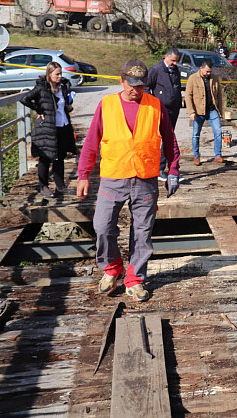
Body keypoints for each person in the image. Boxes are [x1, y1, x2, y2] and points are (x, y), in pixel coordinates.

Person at [76, 59, 180, 302]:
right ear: (121, 81)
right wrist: (83, 174)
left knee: (142, 232)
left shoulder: (155, 105)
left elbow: (170, 139)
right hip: (114, 175)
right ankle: (112, 268)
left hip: (145, 178)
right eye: (131, 85)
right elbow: (92, 141)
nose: (136, 90)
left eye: (141, 86)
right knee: (102, 226)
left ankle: (135, 278)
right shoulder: (107, 105)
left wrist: (173, 170)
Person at [21, 62, 78, 197]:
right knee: (46, 157)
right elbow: (25, 99)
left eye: (60, 74)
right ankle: (44, 186)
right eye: (57, 74)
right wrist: (38, 109)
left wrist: (69, 107)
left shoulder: (62, 87)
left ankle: (60, 186)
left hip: (62, 126)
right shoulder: (42, 88)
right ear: (49, 74)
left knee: (60, 156)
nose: (59, 77)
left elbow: (64, 105)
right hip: (47, 128)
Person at [146, 48, 182, 180]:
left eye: (176, 61)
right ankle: (159, 169)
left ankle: (170, 169)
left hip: (174, 109)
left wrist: (179, 102)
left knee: (169, 139)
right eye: (172, 60)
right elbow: (146, 87)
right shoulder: (155, 70)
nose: (174, 63)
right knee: (159, 139)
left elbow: (176, 87)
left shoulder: (175, 70)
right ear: (165, 57)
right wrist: (152, 103)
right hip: (160, 110)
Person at [186, 59, 225, 166]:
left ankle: (217, 155)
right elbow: (188, 96)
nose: (209, 73)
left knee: (218, 132)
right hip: (198, 112)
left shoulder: (215, 78)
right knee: (196, 134)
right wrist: (191, 112)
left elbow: (219, 96)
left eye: (210, 71)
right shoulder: (192, 78)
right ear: (201, 68)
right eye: (207, 71)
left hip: (212, 111)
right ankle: (196, 156)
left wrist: (220, 112)